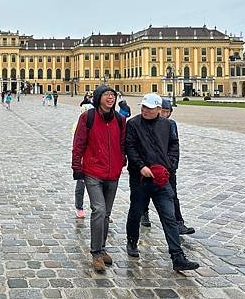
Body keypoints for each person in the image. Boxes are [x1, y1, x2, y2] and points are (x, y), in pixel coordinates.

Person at [125, 93, 199, 271]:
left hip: (162, 179)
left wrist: (171, 165)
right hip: (140, 179)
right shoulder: (133, 124)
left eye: (149, 108)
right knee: (136, 213)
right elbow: (130, 147)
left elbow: (174, 145)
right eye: (143, 107)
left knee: (169, 217)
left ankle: (177, 256)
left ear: (159, 110)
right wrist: (141, 166)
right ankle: (132, 241)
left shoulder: (166, 125)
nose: (144, 110)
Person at [72, 85, 126, 273]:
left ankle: (101, 249)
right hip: (93, 171)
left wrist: (121, 162)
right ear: (98, 98)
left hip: (113, 173)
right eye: (107, 95)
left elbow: (122, 144)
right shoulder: (88, 117)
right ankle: (96, 253)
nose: (111, 98)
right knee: (99, 210)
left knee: (106, 214)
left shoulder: (120, 119)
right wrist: (76, 167)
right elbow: (78, 143)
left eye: (113, 95)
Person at [142, 99, 195, 235]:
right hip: (150, 166)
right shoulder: (145, 122)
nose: (165, 114)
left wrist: (172, 165)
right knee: (145, 193)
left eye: (167, 111)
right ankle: (144, 214)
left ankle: (179, 223)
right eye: (163, 111)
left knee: (172, 195)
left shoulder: (171, 124)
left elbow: (174, 144)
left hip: (168, 167)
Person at [72, 102, 95, 219]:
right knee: (81, 185)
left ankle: (100, 210)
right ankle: (79, 207)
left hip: (96, 160)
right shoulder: (78, 124)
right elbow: (77, 144)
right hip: (83, 160)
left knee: (98, 188)